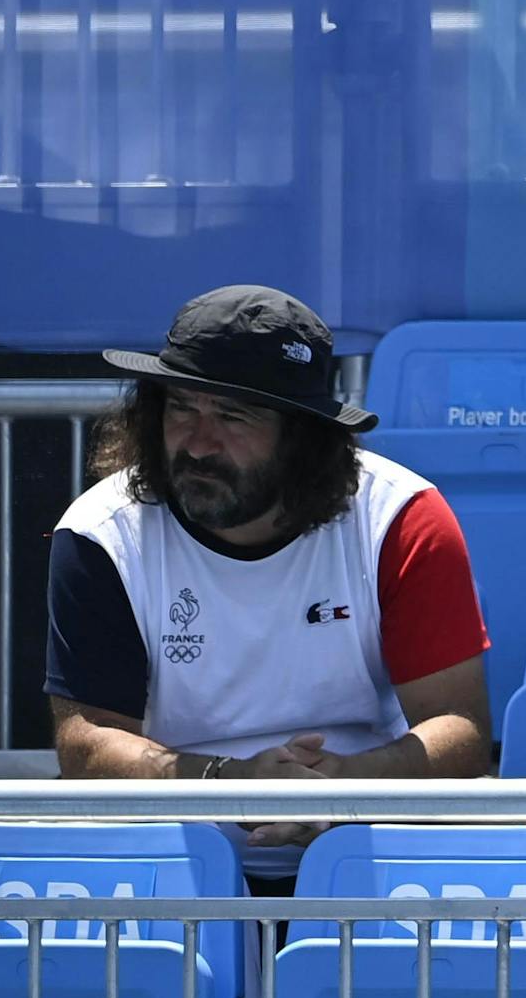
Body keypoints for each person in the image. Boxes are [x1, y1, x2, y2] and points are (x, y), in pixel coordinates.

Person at [44, 286, 492, 850]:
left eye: (234, 416)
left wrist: (343, 791)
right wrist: (230, 784)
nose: (199, 444)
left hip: (365, 840)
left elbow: (461, 728)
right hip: (170, 851)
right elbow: (88, 744)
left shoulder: (404, 520)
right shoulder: (100, 533)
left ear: (304, 440)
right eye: (181, 407)